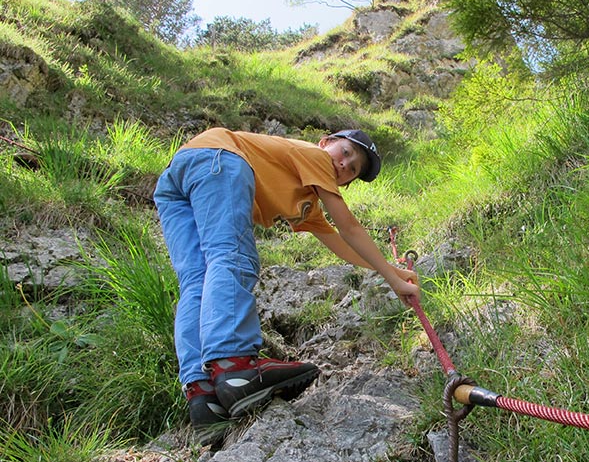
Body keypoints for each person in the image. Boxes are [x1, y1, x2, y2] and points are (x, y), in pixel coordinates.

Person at [153, 127, 420, 444]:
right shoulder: (315, 156)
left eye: (353, 170)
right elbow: (348, 226)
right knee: (231, 257)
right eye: (346, 153)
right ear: (326, 143)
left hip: (177, 180)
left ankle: (204, 395)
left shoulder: (306, 200)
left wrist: (389, 268)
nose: (344, 166)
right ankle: (234, 365)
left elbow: (341, 244)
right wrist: (393, 281)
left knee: (198, 280)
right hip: (219, 158)